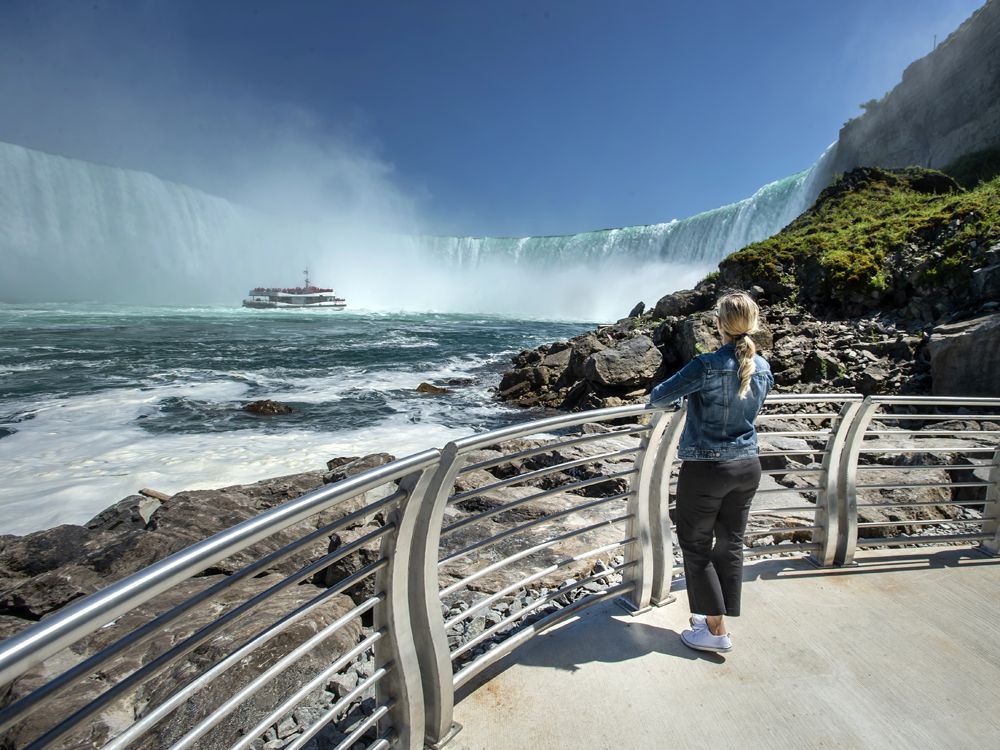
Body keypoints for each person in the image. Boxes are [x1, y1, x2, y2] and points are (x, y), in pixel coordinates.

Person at [648, 291, 774, 653]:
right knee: (730, 543)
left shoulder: (706, 365)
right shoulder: (763, 367)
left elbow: (658, 397)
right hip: (748, 466)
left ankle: (716, 631)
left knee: (695, 544)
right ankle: (712, 618)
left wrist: (688, 400)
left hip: (707, 469)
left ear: (719, 324)